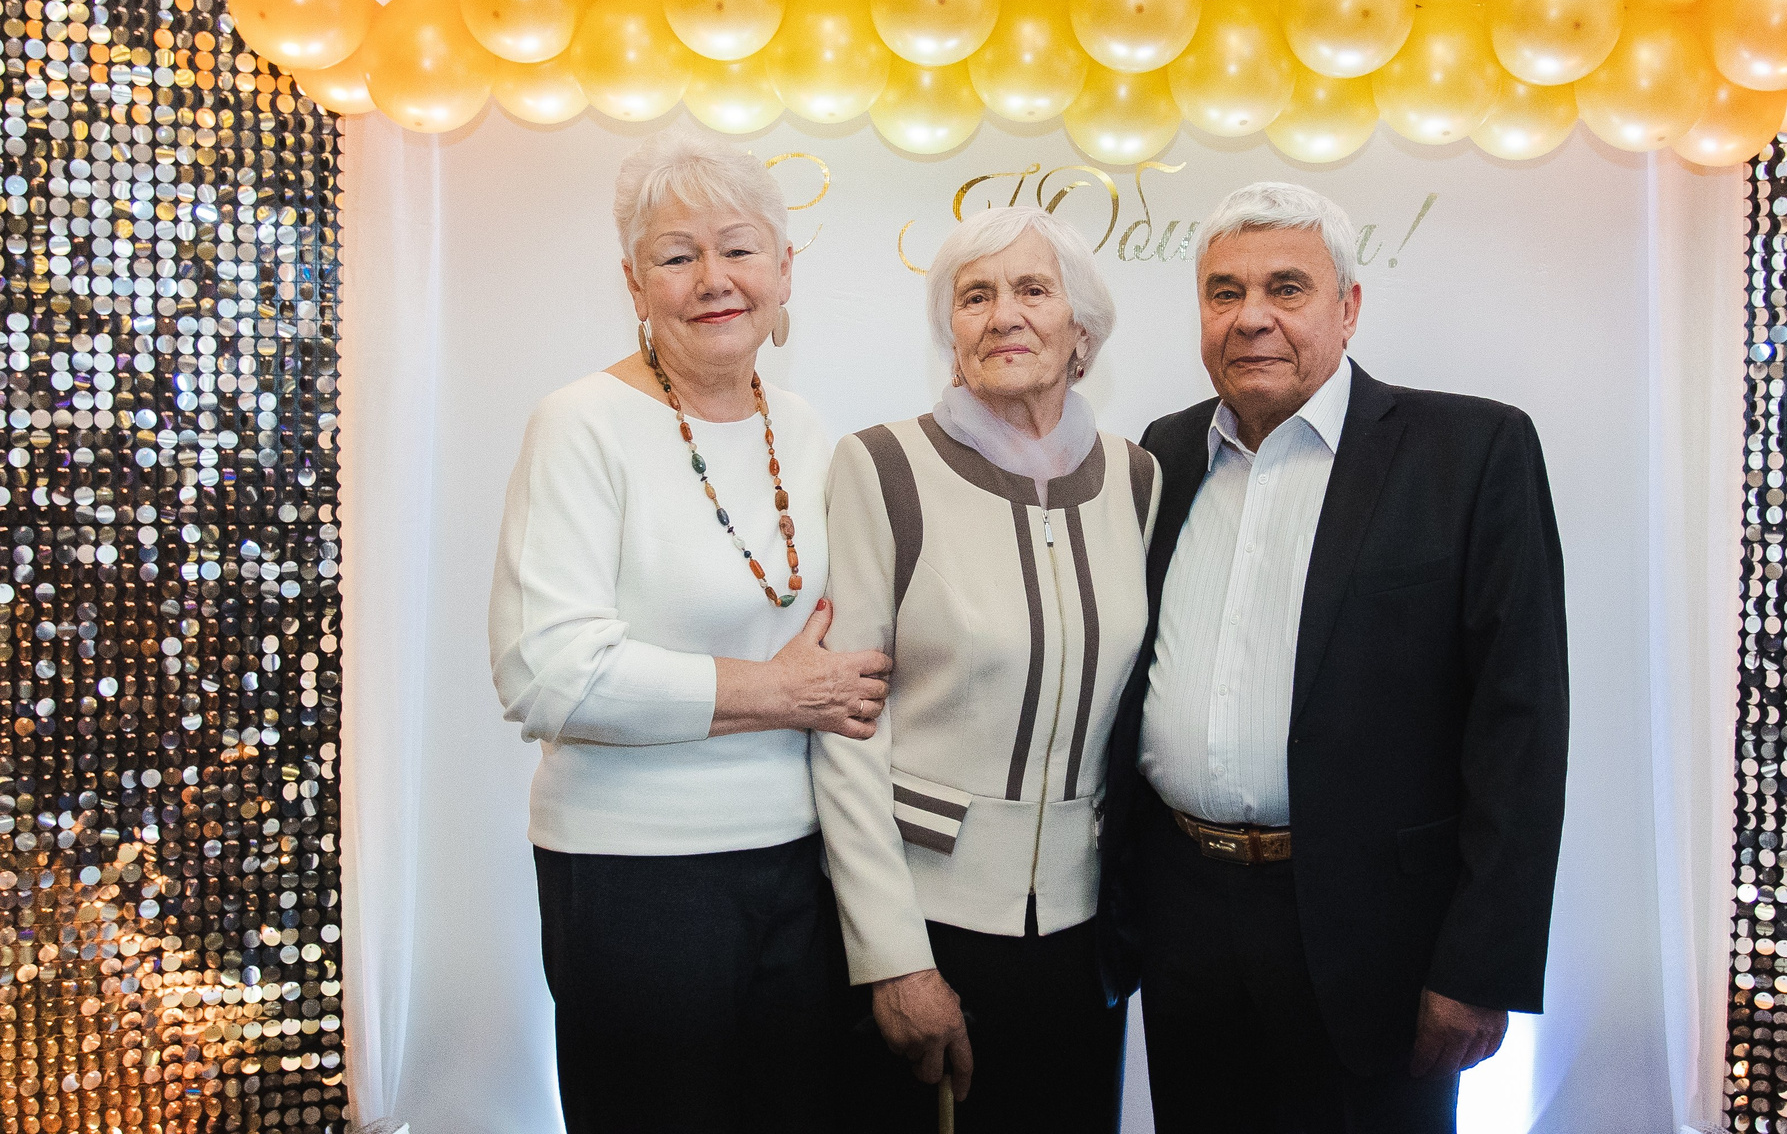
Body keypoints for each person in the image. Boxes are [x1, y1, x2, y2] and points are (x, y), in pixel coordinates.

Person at [1099, 181, 1570, 1131]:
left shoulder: (1472, 451)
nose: (1252, 318)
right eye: (1225, 292)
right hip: (1186, 917)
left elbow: (1520, 728)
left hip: (1378, 938)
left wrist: (1480, 967)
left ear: (1348, 307)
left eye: (1287, 287)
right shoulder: (1164, 454)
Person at [487, 127, 891, 1133]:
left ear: (784, 269)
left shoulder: (807, 428)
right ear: (635, 281)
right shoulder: (579, 423)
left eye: (739, 248)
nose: (714, 279)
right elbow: (547, 672)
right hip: (631, 880)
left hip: (801, 867)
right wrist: (779, 692)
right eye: (677, 255)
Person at [813, 205, 1161, 1132]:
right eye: (975, 296)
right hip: (928, 922)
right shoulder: (881, 465)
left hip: (1085, 937)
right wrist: (893, 957)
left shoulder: (1137, 478)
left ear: (1082, 329)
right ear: (951, 333)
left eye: (1033, 289)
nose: (1004, 314)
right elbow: (845, 727)